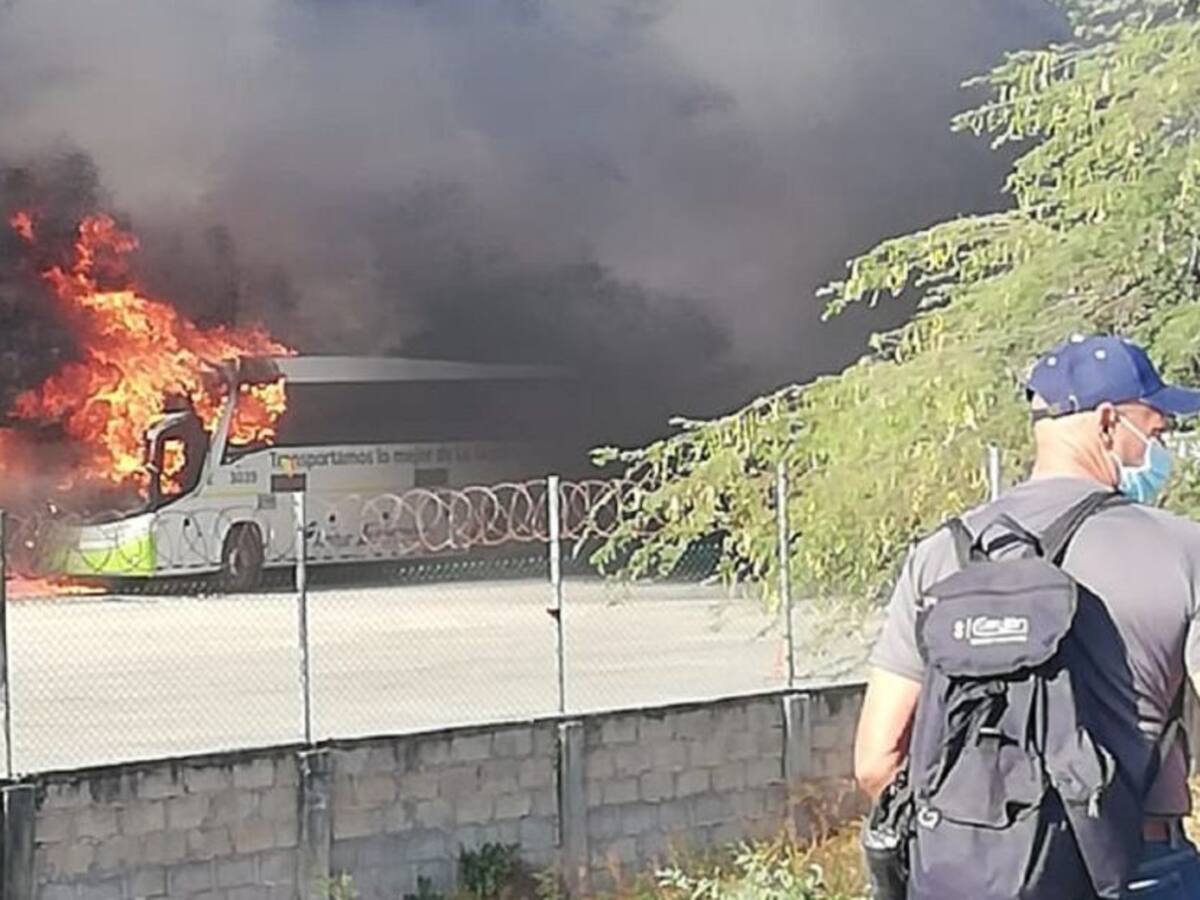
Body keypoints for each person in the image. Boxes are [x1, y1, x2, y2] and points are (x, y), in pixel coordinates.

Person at [854, 334, 1200, 897]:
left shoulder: (943, 552)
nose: (1161, 446)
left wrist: (993, 846)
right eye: (1156, 430)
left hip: (972, 876)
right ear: (1109, 423)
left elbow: (875, 762)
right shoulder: (1183, 549)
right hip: (1139, 868)